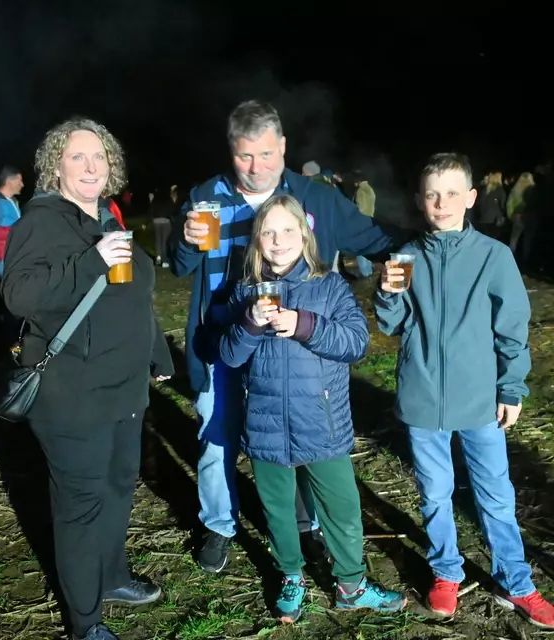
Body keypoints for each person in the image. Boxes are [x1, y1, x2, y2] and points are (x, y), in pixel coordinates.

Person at [168, 100, 395, 573]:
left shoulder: (315, 197)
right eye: (245, 156)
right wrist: (185, 240)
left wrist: (430, 242)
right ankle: (219, 524)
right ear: (231, 151)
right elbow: (180, 265)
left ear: (284, 147)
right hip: (225, 342)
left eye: (267, 154)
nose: (257, 167)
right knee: (216, 436)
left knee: (298, 436)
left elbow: (375, 238)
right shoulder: (207, 196)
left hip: (289, 349)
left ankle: (306, 527)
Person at [1, 118, 174, 640]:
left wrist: (157, 352)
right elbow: (19, 296)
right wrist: (90, 262)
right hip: (72, 394)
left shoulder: (105, 216)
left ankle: (112, 577)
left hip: (124, 387)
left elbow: (134, 294)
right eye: (77, 156)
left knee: (119, 487)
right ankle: (85, 622)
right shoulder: (41, 221)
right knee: (81, 504)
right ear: (55, 166)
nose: (90, 165)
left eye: (98, 155)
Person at [375, 152, 554, 628]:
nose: (442, 202)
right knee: (434, 493)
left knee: (495, 494)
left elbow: (512, 328)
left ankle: (515, 581)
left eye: (452, 193)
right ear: (420, 200)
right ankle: (446, 571)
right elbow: (392, 324)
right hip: (423, 397)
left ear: (471, 197)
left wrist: (511, 387)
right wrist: (387, 292)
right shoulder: (406, 257)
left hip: (480, 399)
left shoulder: (494, 256)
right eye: (432, 194)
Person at [220, 194, 407, 622]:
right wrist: (250, 324)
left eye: (288, 230)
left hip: (322, 423)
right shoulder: (246, 291)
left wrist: (305, 325)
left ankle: (351, 584)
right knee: (278, 511)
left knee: (342, 508)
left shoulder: (330, 286)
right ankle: (291, 576)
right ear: (257, 241)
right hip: (266, 424)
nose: (279, 240)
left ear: (304, 236)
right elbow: (229, 355)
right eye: (269, 232)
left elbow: (356, 343)